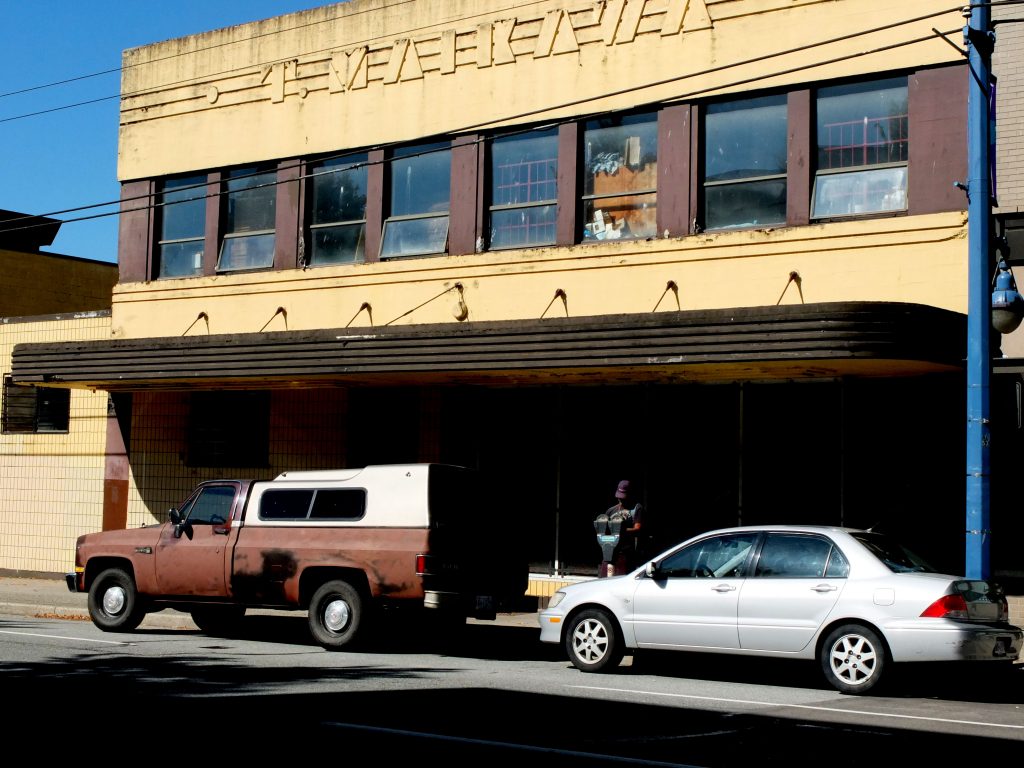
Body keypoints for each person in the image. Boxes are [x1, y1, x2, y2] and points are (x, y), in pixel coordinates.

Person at [595, 479, 644, 577]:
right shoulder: (610, 511)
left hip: (626, 556)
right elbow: (603, 530)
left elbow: (638, 529)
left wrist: (620, 530)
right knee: (605, 583)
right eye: (619, 497)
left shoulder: (636, 509)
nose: (621, 499)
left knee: (622, 585)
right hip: (609, 553)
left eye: (624, 497)